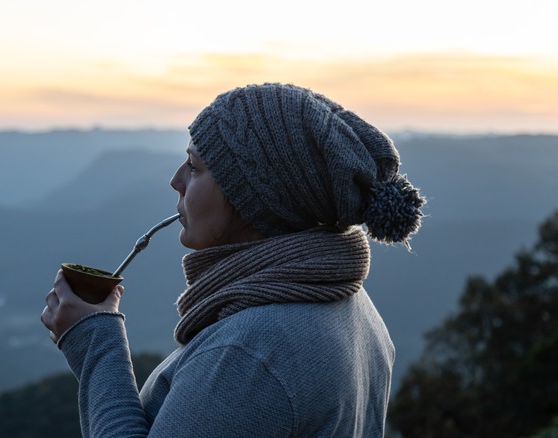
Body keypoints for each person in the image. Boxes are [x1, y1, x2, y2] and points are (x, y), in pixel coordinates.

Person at [41, 83, 425, 437]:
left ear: (255, 198)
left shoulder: (250, 355)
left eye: (195, 166)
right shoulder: (351, 307)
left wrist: (96, 343)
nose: (176, 180)